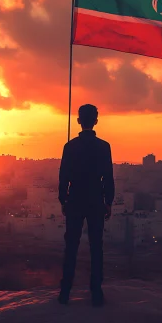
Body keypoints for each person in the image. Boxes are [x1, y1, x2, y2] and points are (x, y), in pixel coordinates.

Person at [57, 104, 114, 307]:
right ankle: (96, 292)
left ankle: (65, 292)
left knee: (71, 246)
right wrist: (108, 201)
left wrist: (63, 199)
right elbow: (108, 176)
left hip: (75, 199)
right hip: (95, 199)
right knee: (96, 246)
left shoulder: (70, 147)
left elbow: (64, 176)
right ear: (96, 120)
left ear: (79, 121)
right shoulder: (103, 147)